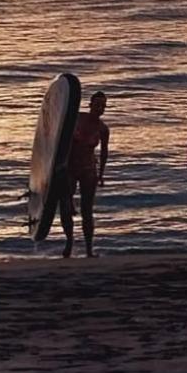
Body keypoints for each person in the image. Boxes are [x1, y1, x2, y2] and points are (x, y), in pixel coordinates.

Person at [60, 91, 109, 257]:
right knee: (66, 206)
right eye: (97, 104)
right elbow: (61, 138)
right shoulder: (77, 119)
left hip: (89, 169)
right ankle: (69, 242)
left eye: (103, 106)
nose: (100, 108)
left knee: (87, 210)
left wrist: (101, 174)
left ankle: (89, 249)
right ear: (90, 104)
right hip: (70, 167)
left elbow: (104, 153)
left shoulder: (103, 129)